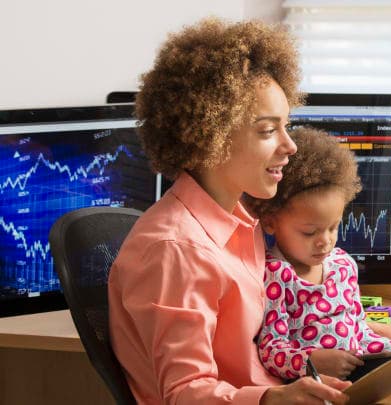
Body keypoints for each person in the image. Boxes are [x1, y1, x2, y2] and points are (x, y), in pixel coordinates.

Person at [108, 18, 351, 404]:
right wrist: (272, 398)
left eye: (286, 127)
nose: (291, 146)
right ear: (211, 137)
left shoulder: (242, 221)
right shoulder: (178, 250)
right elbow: (185, 392)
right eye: (268, 130)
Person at [244, 128, 391, 382]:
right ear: (271, 222)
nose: (325, 241)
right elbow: (272, 348)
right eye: (310, 232)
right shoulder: (276, 275)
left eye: (333, 227)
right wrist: (310, 363)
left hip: (361, 361)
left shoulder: (343, 264)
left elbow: (357, 326)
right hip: (315, 381)